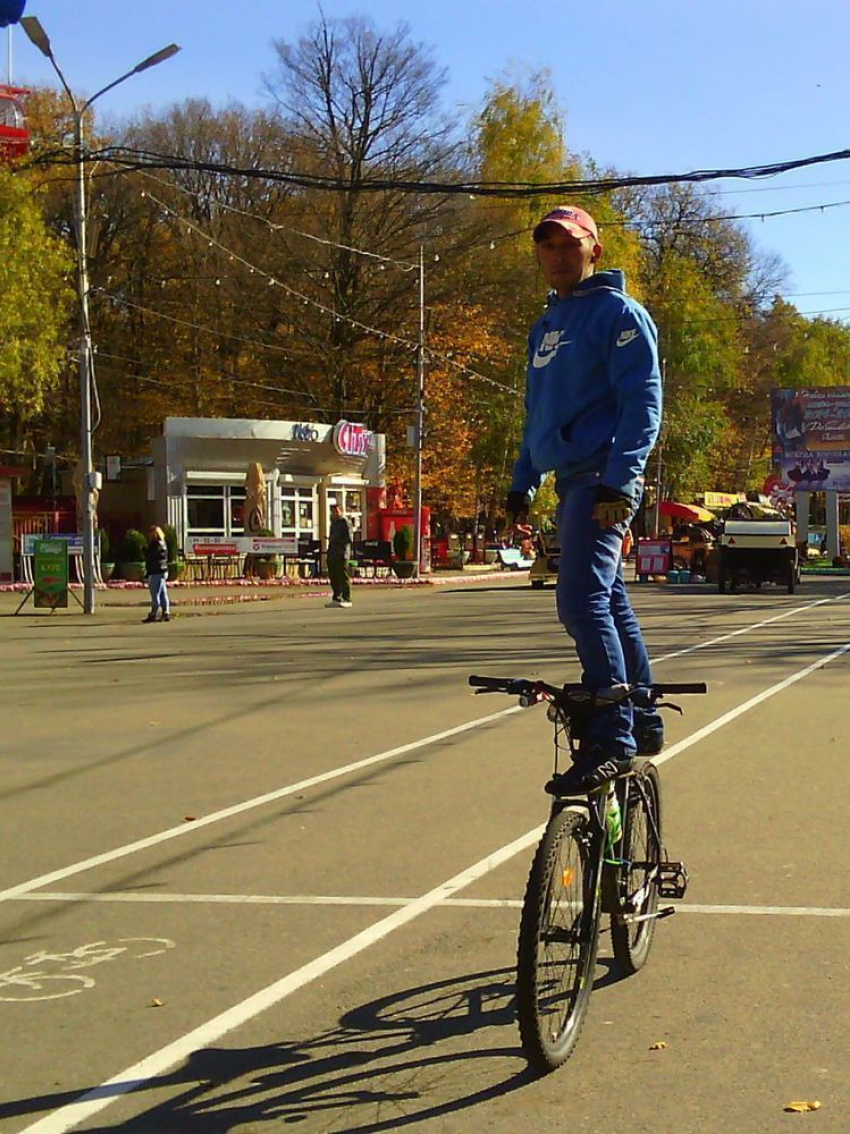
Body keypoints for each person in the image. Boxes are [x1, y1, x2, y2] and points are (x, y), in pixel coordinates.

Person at [505, 204, 664, 794]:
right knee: (610, 599)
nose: (557, 255)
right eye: (547, 246)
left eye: (570, 245)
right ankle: (641, 715)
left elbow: (642, 405)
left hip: (602, 476)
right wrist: (521, 482)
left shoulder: (619, 314)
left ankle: (612, 737)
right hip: (569, 476)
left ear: (594, 250)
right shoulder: (546, 325)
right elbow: (536, 413)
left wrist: (620, 483)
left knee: (579, 601)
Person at [326, 503, 353, 608]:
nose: (334, 513)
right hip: (333, 552)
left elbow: (349, 539)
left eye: (336, 511)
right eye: (333, 511)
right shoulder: (333, 523)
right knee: (333, 576)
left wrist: (336, 540)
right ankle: (336, 597)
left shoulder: (345, 522)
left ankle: (347, 598)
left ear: (341, 511)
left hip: (342, 553)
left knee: (343, 576)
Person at [143, 525, 170, 623]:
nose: (149, 535)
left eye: (151, 533)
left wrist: (145, 550)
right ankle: (166, 612)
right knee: (163, 592)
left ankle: (153, 613)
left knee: (155, 593)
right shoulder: (163, 543)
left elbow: (152, 557)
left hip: (156, 571)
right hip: (163, 571)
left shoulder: (155, 544)